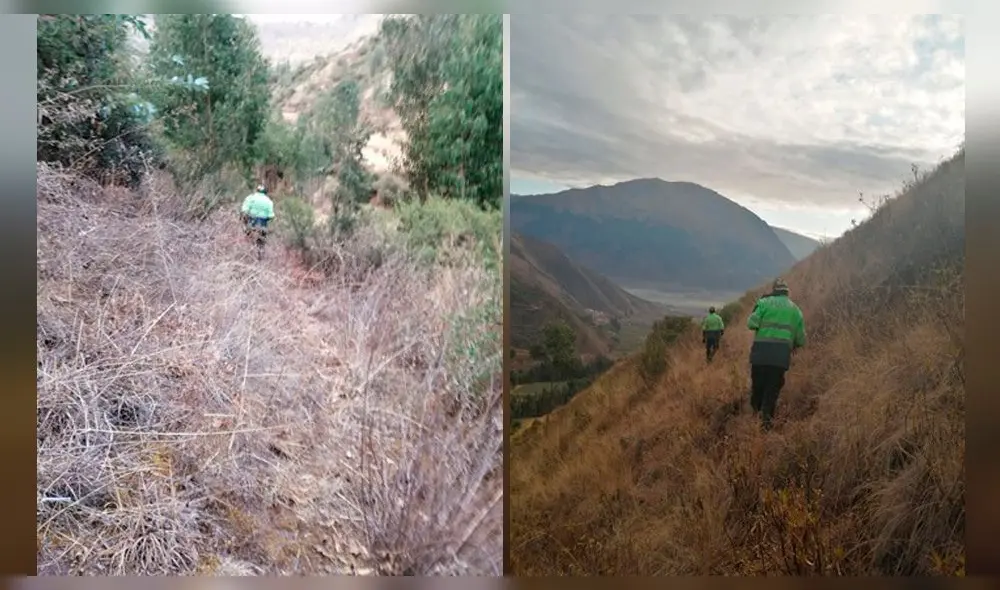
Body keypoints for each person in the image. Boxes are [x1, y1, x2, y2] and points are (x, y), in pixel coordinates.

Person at [746, 278, 806, 430]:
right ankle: (765, 426)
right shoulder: (796, 310)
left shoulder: (764, 303)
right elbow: (801, 340)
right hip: (780, 358)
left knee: (757, 388)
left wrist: (756, 308)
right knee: (771, 391)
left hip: (760, 355)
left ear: (774, 290)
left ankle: (754, 417)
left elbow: (751, 324)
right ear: (787, 292)